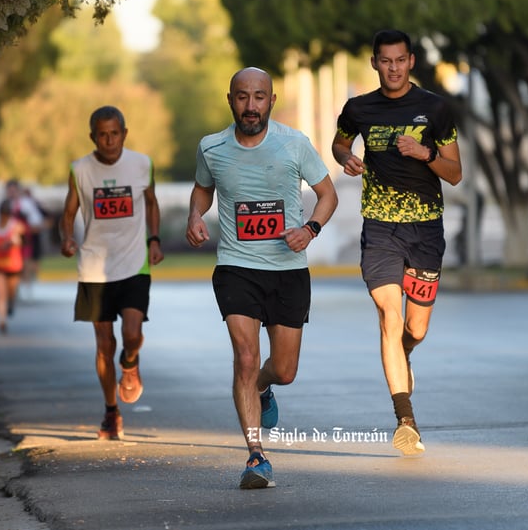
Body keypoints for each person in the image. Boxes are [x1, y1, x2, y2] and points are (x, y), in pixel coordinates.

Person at [186, 67, 338, 489]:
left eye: (258, 97)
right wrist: (195, 214)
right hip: (236, 267)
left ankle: (264, 389)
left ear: (271, 100)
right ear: (229, 99)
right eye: (241, 97)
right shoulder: (211, 147)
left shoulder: (294, 144)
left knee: (283, 370)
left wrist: (309, 230)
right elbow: (204, 187)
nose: (250, 106)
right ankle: (256, 457)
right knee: (246, 358)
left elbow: (328, 195)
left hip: (288, 271)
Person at [331, 29, 462, 456]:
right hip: (381, 228)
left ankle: (403, 356)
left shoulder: (435, 109)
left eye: (399, 60)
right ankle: (405, 419)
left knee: (414, 328)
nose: (392, 68)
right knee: (389, 315)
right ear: (374, 63)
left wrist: (424, 154)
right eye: (384, 61)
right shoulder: (359, 108)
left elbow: (455, 172)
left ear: (410, 62)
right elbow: (340, 139)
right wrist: (344, 155)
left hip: (425, 230)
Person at [59, 105, 164, 441]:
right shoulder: (80, 169)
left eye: (114, 133)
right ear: (93, 137)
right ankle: (110, 412)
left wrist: (154, 239)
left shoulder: (141, 164)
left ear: (124, 134)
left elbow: (151, 202)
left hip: (134, 262)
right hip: (94, 266)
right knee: (104, 343)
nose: (109, 140)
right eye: (102, 134)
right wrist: (67, 238)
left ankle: (130, 362)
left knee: (131, 334)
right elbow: (69, 210)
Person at [0, 199, 27, 333]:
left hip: (13, 265)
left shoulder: (16, 226)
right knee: (0, 294)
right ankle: (2, 320)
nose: (3, 217)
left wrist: (15, 241)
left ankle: (11, 304)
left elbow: (23, 241)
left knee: (11, 292)